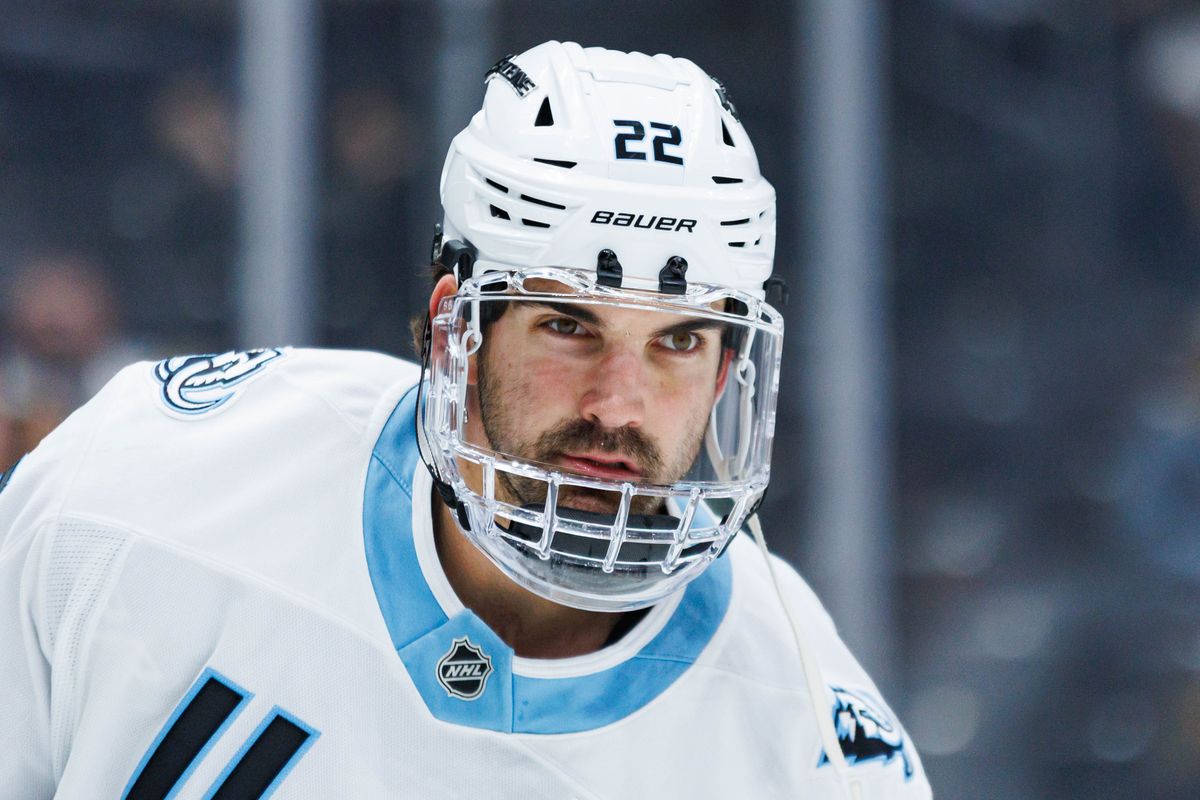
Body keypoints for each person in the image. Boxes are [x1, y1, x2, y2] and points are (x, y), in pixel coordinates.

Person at [0, 42, 931, 798]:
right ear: (457, 330)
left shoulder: (812, 751)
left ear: (732, 367)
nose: (618, 403)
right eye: (569, 326)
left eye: (679, 343)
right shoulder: (140, 495)